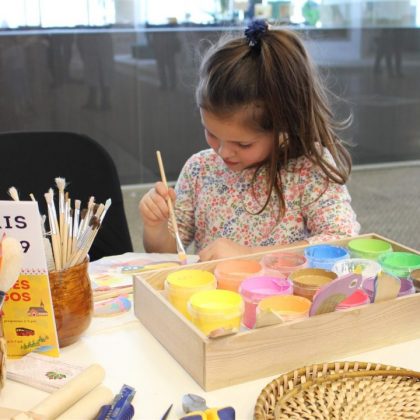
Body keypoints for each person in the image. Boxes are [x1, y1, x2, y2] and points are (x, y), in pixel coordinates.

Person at [139, 20, 360, 261]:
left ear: (284, 128)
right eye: (211, 133)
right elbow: (170, 254)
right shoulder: (199, 170)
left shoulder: (307, 170)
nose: (223, 152)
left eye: (243, 144)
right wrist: (156, 226)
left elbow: (342, 238)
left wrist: (249, 255)